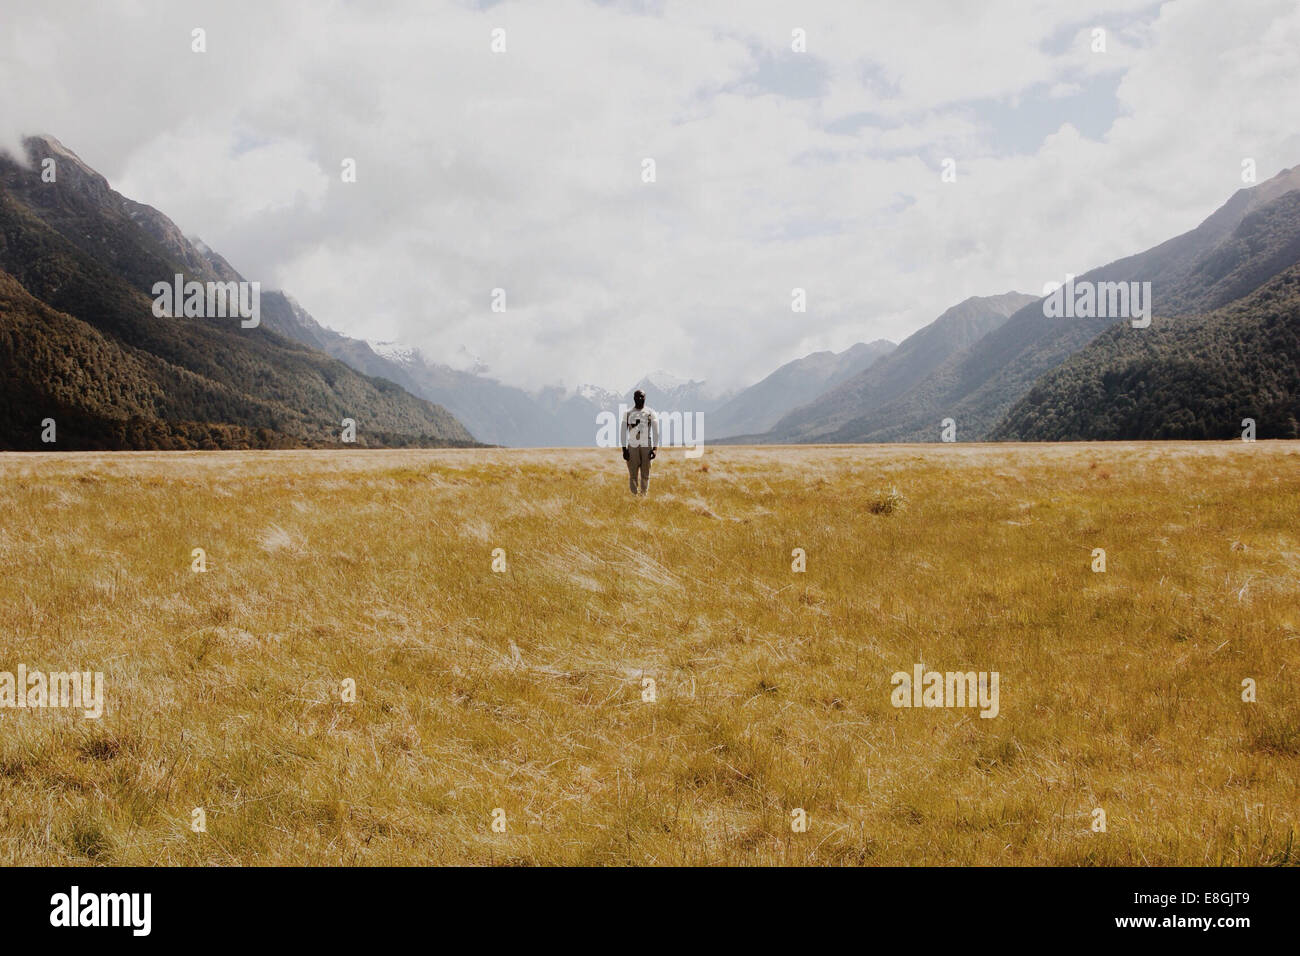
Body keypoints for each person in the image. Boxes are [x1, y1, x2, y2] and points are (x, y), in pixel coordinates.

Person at [621, 389, 659, 495]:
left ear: (645, 397)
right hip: (632, 446)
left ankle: (643, 496)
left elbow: (656, 432)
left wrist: (655, 449)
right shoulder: (628, 413)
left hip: (646, 445)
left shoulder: (651, 413)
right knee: (633, 474)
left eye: (642, 396)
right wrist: (624, 449)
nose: (640, 398)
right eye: (637, 396)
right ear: (634, 398)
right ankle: (634, 497)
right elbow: (623, 432)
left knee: (645, 473)